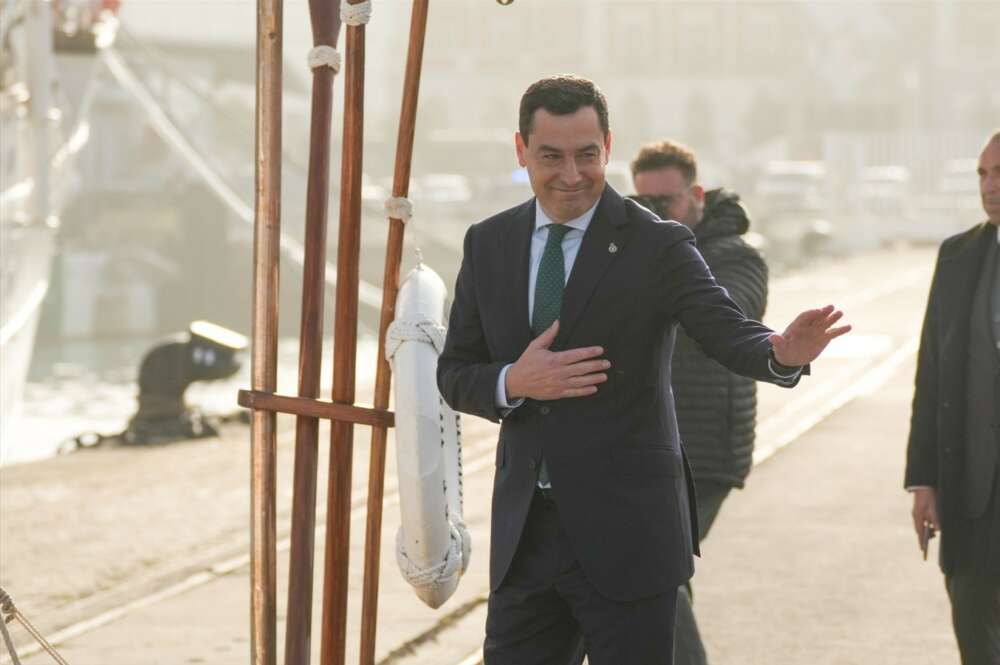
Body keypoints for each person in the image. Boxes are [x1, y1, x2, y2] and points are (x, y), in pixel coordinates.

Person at [437, 74, 850, 665]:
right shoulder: (488, 244)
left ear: (608, 146)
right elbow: (456, 371)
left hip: (629, 536)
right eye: (551, 157)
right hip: (527, 541)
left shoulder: (658, 245)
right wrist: (512, 382)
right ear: (521, 150)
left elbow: (725, 329)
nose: (572, 175)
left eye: (587, 155)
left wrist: (780, 352)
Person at [629, 140, 768, 665]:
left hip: (707, 449)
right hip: (650, 443)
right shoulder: (639, 248)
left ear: (698, 195)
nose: (657, 215)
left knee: (657, 570)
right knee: (652, 570)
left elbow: (730, 317)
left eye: (666, 203)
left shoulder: (736, 254)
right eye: (644, 203)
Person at [906, 130, 1000, 665]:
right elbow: (933, 375)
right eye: (983, 174)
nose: (990, 186)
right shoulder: (958, 255)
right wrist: (924, 481)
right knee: (972, 629)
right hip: (970, 493)